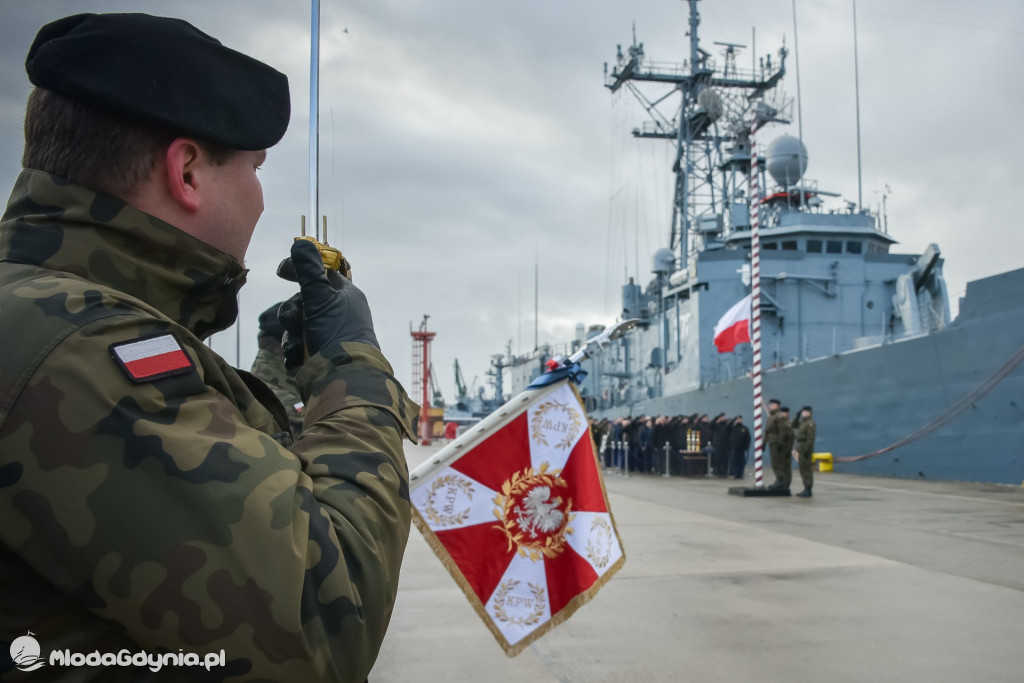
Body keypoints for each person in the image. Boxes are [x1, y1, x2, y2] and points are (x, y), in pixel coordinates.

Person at [0, 13, 418, 681]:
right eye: (252, 169)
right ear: (187, 171)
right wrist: (354, 368)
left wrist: (274, 370)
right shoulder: (80, 353)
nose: (257, 199)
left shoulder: (53, 315)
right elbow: (325, 619)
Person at [793, 406, 817, 497]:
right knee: (802, 469)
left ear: (809, 413)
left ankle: (808, 490)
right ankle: (806, 488)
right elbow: (793, 425)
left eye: (804, 412)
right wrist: (797, 416)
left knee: (806, 470)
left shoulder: (810, 424)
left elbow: (811, 439)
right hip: (801, 449)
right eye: (802, 412)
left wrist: (807, 450)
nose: (803, 413)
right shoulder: (803, 423)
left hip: (805, 450)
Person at [765, 398, 788, 489]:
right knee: (775, 462)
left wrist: (780, 443)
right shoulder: (772, 416)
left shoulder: (778, 416)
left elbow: (782, 431)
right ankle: (779, 480)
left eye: (771, 405)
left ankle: (780, 481)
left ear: (776, 405)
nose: (769, 406)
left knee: (778, 463)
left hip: (777, 443)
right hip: (772, 442)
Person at [728, 415, 751, 479]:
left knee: (741, 462)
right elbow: (727, 427)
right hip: (734, 448)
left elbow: (748, 438)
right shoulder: (732, 427)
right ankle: (736, 474)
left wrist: (747, 446)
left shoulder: (744, 428)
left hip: (742, 448)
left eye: (740, 419)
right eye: (737, 419)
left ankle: (740, 474)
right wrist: (733, 420)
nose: (739, 420)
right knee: (735, 461)